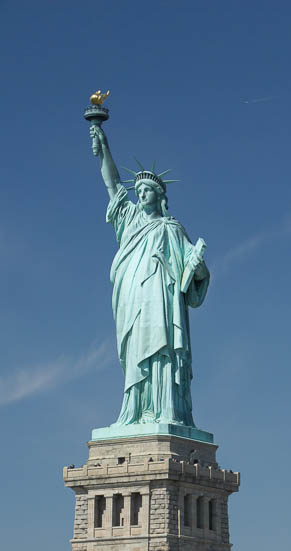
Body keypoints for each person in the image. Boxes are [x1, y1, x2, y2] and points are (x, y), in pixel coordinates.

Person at [89, 123, 210, 429]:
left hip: (161, 300)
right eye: (138, 191)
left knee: (163, 350)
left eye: (147, 191)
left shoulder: (172, 229)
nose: (141, 194)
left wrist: (197, 268)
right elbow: (113, 185)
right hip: (132, 299)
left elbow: (192, 274)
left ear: (158, 196)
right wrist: (104, 149)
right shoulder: (128, 219)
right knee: (135, 353)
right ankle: (135, 411)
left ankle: (166, 410)